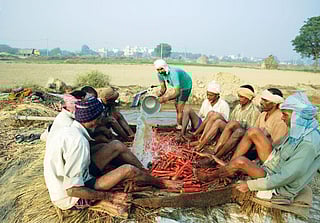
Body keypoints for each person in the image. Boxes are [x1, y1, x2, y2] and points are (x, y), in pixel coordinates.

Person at [44, 97, 180, 210]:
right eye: (101, 116)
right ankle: (161, 183)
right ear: (94, 120)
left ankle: (144, 172)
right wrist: (111, 196)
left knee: (115, 146)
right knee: (128, 170)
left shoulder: (72, 129)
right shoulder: (78, 142)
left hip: (77, 178)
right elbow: (72, 190)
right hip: (70, 198)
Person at [198, 92, 320, 204]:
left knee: (241, 162)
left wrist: (251, 185)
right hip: (276, 164)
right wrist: (257, 161)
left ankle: (209, 177)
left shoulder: (308, 144)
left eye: (285, 115)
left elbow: (287, 176)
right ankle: (229, 168)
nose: (282, 118)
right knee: (253, 132)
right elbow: (279, 149)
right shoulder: (302, 128)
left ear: (296, 117)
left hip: (279, 183)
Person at [197, 85, 261, 156]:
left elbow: (251, 131)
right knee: (218, 121)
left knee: (233, 124)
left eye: (242, 97)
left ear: (248, 98)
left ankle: (215, 151)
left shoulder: (254, 112)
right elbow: (229, 122)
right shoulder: (238, 107)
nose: (239, 99)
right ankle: (201, 144)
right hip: (231, 131)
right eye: (239, 96)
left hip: (242, 136)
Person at [230, 88, 288, 161]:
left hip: (267, 155)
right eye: (262, 99)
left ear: (274, 103)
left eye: (265, 100)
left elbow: (276, 146)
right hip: (255, 148)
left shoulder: (280, 119)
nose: (261, 102)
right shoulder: (263, 114)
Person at [154, 59, 192, 130]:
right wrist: (157, 96)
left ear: (165, 67)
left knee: (180, 108)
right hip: (177, 87)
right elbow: (163, 89)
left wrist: (165, 98)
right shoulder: (160, 74)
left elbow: (177, 93)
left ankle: (180, 126)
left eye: (161, 69)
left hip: (186, 86)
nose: (160, 71)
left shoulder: (173, 73)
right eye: (158, 70)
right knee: (176, 107)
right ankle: (180, 123)